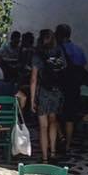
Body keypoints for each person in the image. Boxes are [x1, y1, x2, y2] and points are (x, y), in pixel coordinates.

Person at [30, 29, 66, 162]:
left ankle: (45, 157)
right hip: (56, 91)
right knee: (53, 121)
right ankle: (53, 152)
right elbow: (63, 68)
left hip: (43, 92)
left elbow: (33, 79)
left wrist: (32, 99)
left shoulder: (37, 55)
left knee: (43, 126)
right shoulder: (59, 52)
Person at [55, 24, 88, 153]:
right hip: (74, 86)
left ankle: (60, 137)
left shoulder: (57, 50)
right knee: (70, 117)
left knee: (54, 115)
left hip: (60, 86)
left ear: (59, 35)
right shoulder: (78, 49)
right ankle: (68, 144)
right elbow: (83, 65)